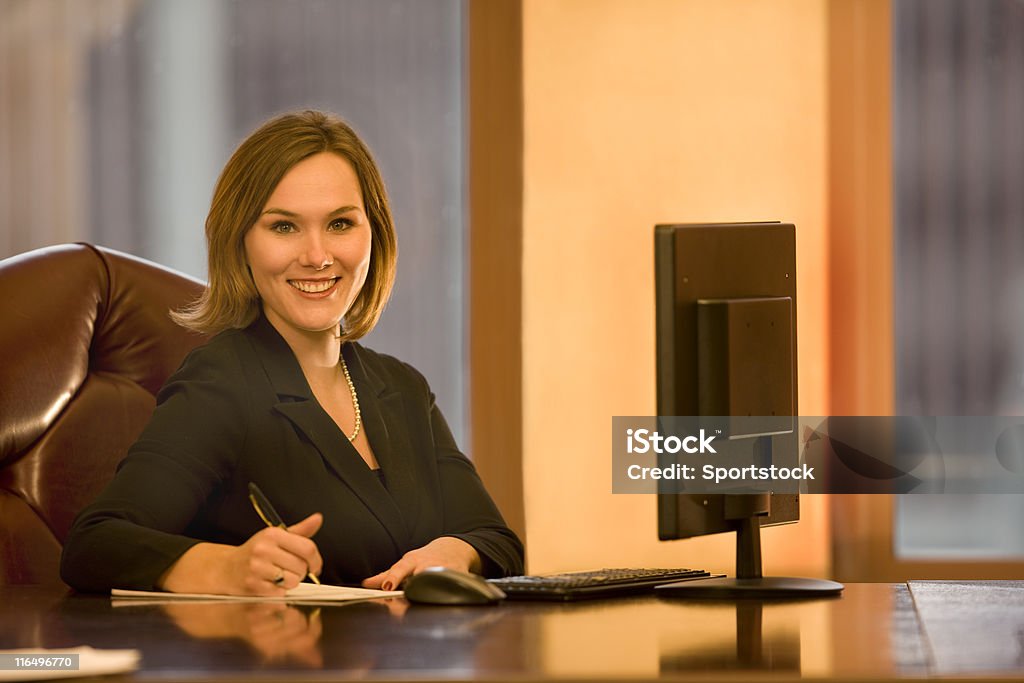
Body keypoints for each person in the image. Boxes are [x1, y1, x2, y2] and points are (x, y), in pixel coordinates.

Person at [60, 110, 524, 595]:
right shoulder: (221, 383)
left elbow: (498, 542)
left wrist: (454, 551)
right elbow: (94, 545)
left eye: (341, 223)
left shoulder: (403, 389)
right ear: (241, 243)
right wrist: (225, 569)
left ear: (375, 235)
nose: (318, 256)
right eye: (284, 228)